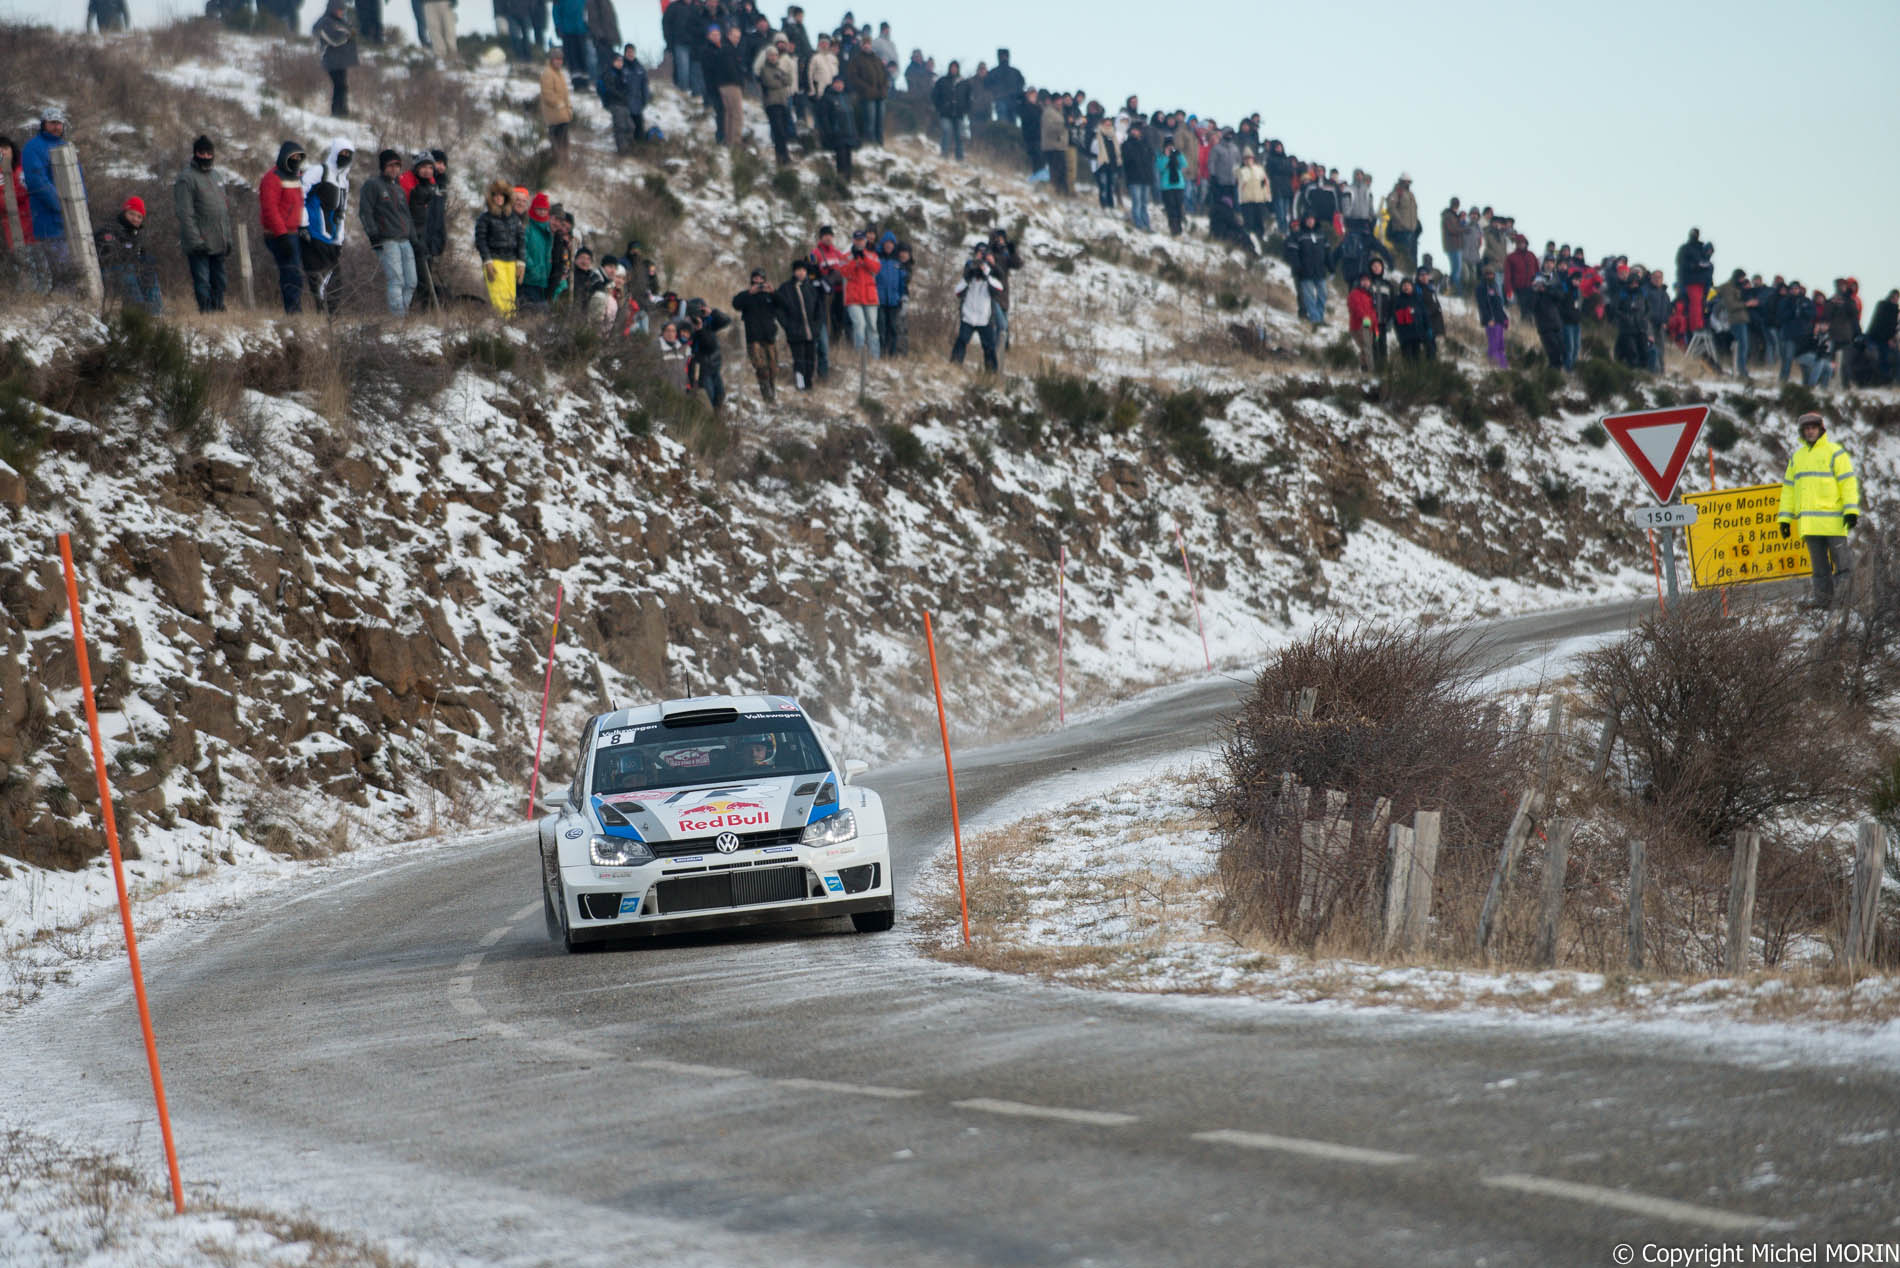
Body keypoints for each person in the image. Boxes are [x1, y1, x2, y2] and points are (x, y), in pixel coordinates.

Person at [1778, 412, 1860, 609]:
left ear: (1821, 429)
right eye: (1806, 429)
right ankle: (1823, 604)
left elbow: (1847, 483)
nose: (1810, 431)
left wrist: (1851, 510)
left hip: (1834, 523)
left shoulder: (1835, 453)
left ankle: (1844, 606)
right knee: (1820, 570)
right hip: (1810, 525)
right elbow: (1789, 489)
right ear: (1802, 432)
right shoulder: (1797, 458)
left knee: (1843, 567)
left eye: (1813, 427)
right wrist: (1785, 519)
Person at [172, 135, 231, 314]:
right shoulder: (186, 178)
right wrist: (195, 241)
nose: (206, 156)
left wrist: (228, 239)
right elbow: (185, 213)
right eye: (202, 152)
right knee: (202, 280)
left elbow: (224, 210)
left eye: (209, 153)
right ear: (195, 153)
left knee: (220, 280)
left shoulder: (217, 176)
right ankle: (206, 313)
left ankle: (218, 310)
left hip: (219, 240)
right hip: (200, 242)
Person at [358, 149, 415, 316]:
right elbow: (365, 212)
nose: (394, 169)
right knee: (396, 280)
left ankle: (401, 316)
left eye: (397, 165)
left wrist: (414, 239)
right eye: (391, 165)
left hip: (405, 240)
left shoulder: (398, 188)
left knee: (411, 282)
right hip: (387, 239)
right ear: (383, 166)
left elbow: (406, 215)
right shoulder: (372, 185)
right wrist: (373, 235)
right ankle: (398, 320)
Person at [300, 138, 352, 313]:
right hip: (313, 234)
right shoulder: (318, 171)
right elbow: (300, 194)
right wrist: (302, 224)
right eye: (342, 153)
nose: (344, 157)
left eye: (348, 154)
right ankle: (318, 317)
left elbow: (342, 213)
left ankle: (331, 320)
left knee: (336, 282)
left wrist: (340, 240)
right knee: (317, 279)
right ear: (334, 153)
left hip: (332, 239)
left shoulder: (344, 181)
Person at [20, 108, 72, 281]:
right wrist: (59, 205)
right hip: (46, 215)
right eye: (52, 123)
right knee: (57, 264)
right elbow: (36, 180)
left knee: (70, 261)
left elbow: (76, 179)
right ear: (44, 124)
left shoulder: (66, 147)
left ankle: (70, 297)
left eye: (59, 123)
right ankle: (62, 299)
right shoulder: (34, 147)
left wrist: (82, 204)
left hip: (69, 217)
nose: (57, 127)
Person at [258, 140, 307, 313]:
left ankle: (295, 311)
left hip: (293, 233)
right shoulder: (272, 178)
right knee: (291, 274)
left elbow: (298, 205)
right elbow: (270, 208)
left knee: (295, 274)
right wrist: (282, 234)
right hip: (279, 234)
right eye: (292, 157)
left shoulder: (295, 177)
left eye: (298, 157)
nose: (295, 160)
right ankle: (293, 313)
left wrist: (302, 228)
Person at [93, 196, 160, 315]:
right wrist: (131, 257)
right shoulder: (110, 229)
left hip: (129, 271)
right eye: (132, 214)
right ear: (125, 212)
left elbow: (139, 255)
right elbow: (109, 255)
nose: (135, 219)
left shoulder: (135, 235)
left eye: (139, 216)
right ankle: (136, 313)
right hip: (108, 271)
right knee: (127, 270)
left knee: (148, 268)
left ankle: (153, 313)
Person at [474, 178, 524, 315]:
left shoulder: (514, 218)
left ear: (506, 197)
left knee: (510, 297)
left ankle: (510, 328)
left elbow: (521, 240)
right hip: (494, 261)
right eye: (495, 195)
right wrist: (487, 260)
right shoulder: (485, 218)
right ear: (491, 197)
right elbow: (481, 240)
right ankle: (502, 326)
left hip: (511, 262)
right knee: (498, 297)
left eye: (502, 195)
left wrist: (521, 262)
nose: (499, 198)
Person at [732, 268, 781, 400]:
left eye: (761, 279)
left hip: (770, 338)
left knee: (773, 369)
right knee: (761, 368)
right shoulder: (747, 296)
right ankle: (767, 397)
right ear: (752, 280)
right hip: (754, 339)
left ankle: (772, 394)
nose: (758, 282)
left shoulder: (770, 296)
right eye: (756, 278)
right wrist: (749, 293)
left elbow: (784, 304)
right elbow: (736, 304)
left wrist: (773, 292)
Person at [951, 247, 1002, 372]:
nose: (978, 269)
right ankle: (953, 368)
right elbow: (957, 292)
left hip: (984, 319)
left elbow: (999, 289)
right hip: (968, 317)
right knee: (961, 342)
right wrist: (967, 278)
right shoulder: (969, 280)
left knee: (989, 347)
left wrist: (987, 275)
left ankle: (991, 374)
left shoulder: (989, 280)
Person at [775, 258, 822, 390]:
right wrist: (788, 326)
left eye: (803, 270)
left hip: (811, 331)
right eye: (798, 270)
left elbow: (819, 309)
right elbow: (779, 309)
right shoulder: (785, 288)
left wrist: (817, 326)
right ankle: (800, 385)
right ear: (794, 272)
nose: (801, 273)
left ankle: (809, 384)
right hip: (795, 332)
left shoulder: (811, 288)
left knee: (811, 360)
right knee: (799, 360)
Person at [839, 229, 881, 360]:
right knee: (859, 325)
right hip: (853, 297)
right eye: (857, 240)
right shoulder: (846, 256)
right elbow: (844, 272)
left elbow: (876, 269)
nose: (859, 242)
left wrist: (864, 258)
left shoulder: (871, 254)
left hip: (870, 297)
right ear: (853, 240)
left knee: (872, 327)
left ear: (865, 241)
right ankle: (860, 357)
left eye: (862, 240)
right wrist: (855, 261)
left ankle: (874, 357)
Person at [1284, 214, 1332, 326]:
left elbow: (1327, 252)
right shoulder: (1297, 236)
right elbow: (1291, 254)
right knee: (1307, 296)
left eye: (1312, 219)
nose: (1310, 221)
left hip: (1319, 271)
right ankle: (1314, 319)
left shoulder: (1320, 235)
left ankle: (1319, 317)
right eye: (1308, 219)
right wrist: (1297, 267)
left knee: (1323, 294)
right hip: (1304, 272)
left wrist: (1331, 267)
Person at [313, 1, 357, 119]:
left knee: (342, 86)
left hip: (341, 62)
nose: (341, 12)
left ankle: (342, 111)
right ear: (333, 9)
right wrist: (347, 35)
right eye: (339, 9)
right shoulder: (325, 22)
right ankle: (338, 112)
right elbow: (333, 40)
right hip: (332, 61)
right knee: (340, 86)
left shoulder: (341, 22)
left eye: (342, 10)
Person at [684, 298, 731, 409]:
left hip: (714, 365)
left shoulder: (709, 321)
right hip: (700, 368)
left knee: (720, 395)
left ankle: (718, 420)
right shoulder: (689, 325)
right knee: (709, 397)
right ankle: (711, 421)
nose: (699, 314)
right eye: (696, 311)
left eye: (701, 310)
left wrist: (712, 312)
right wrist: (699, 328)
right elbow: (708, 346)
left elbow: (726, 320)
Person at [844, 32, 889, 146]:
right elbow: (853, 77)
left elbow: (885, 76)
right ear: (861, 45)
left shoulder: (877, 60)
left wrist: (884, 88)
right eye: (864, 43)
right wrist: (867, 89)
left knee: (880, 122)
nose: (867, 46)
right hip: (867, 96)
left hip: (880, 96)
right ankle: (870, 143)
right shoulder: (857, 60)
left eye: (868, 43)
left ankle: (880, 144)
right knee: (870, 121)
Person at [759, 44, 796, 165]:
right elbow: (770, 82)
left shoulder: (779, 69)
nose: (773, 57)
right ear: (767, 56)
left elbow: (789, 80)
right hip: (772, 104)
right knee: (778, 131)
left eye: (775, 55)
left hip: (783, 102)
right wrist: (781, 80)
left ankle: (784, 157)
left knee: (783, 131)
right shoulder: (764, 69)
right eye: (771, 55)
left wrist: (780, 78)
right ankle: (782, 157)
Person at [519, 190, 555, 306]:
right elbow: (523, 250)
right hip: (528, 279)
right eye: (539, 209)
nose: (542, 212)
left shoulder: (548, 231)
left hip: (543, 281)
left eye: (544, 209)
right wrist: (532, 268)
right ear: (533, 209)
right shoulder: (528, 228)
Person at [875, 231, 907, 357]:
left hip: (894, 301)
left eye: (891, 244)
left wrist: (901, 297)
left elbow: (902, 282)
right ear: (883, 244)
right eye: (887, 243)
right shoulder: (878, 259)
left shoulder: (897, 262)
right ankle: (881, 353)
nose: (889, 246)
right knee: (881, 327)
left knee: (893, 328)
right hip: (880, 300)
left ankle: (892, 354)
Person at [1675, 227, 1714, 331]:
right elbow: (1682, 264)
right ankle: (1696, 327)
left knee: (1704, 306)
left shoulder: (1701, 248)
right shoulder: (1686, 248)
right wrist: (1696, 266)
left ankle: (1701, 326)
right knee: (1695, 305)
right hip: (1692, 281)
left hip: (1704, 283)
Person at [820, 77, 858, 182]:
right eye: (837, 83)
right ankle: (841, 181)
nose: (839, 85)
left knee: (848, 158)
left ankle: (848, 180)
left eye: (841, 83)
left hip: (849, 133)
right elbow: (824, 117)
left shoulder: (847, 97)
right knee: (840, 159)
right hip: (837, 134)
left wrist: (855, 133)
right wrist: (829, 131)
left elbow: (852, 117)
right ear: (832, 84)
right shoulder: (827, 98)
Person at [932, 61, 971, 161]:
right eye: (952, 67)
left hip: (959, 114)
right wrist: (939, 107)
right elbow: (935, 96)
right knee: (946, 132)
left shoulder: (964, 83)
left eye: (955, 67)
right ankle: (944, 155)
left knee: (959, 136)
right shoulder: (942, 81)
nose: (953, 69)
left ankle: (960, 158)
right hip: (945, 113)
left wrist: (965, 109)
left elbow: (969, 98)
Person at [541, 49, 574, 162]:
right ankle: (558, 166)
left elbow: (565, 94)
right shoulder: (548, 73)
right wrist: (558, 104)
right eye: (556, 59)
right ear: (551, 60)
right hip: (554, 116)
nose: (559, 61)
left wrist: (568, 109)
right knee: (557, 145)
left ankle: (564, 168)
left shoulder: (560, 73)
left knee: (564, 145)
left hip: (562, 115)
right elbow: (547, 94)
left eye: (561, 59)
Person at [1120, 122, 1153, 232]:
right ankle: (1138, 224)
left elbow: (1151, 159)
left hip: (1146, 178)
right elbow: (1127, 160)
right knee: (1137, 202)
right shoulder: (1126, 144)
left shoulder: (1147, 144)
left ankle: (1146, 224)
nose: (1135, 132)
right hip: (1134, 178)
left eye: (1137, 130)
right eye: (1133, 130)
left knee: (1144, 203)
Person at [1475, 265, 1510, 368]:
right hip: (1491, 321)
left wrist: (1505, 318)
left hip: (1499, 320)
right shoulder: (1481, 288)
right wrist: (1488, 319)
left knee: (1500, 345)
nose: (1490, 276)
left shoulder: (1495, 286)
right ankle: (1493, 366)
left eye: (1491, 274)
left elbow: (1498, 305)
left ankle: (1503, 366)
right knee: (1493, 344)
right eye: (1487, 274)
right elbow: (1482, 305)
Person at [1346, 272, 1377, 371]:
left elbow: (1373, 313)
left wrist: (1375, 326)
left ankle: (1365, 370)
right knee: (1366, 348)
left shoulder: (1370, 296)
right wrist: (1366, 319)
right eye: (1363, 280)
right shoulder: (1354, 293)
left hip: (1369, 326)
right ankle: (1371, 371)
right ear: (1359, 282)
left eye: (1368, 281)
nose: (1365, 283)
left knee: (1366, 348)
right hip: (1358, 326)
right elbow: (1356, 308)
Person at [1156, 142, 1188, 236]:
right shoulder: (1161, 155)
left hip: (1179, 185)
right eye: (1168, 146)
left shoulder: (1177, 154)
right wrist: (1166, 156)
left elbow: (1184, 164)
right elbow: (1160, 168)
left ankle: (1179, 228)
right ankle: (1174, 230)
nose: (1170, 148)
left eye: (1171, 146)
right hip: (1167, 186)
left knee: (1179, 208)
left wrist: (1179, 154)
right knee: (1171, 209)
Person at [422, 0, 457, 65]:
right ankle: (440, 56)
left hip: (445, 2)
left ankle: (452, 54)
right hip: (428, 3)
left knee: (449, 28)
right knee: (433, 29)